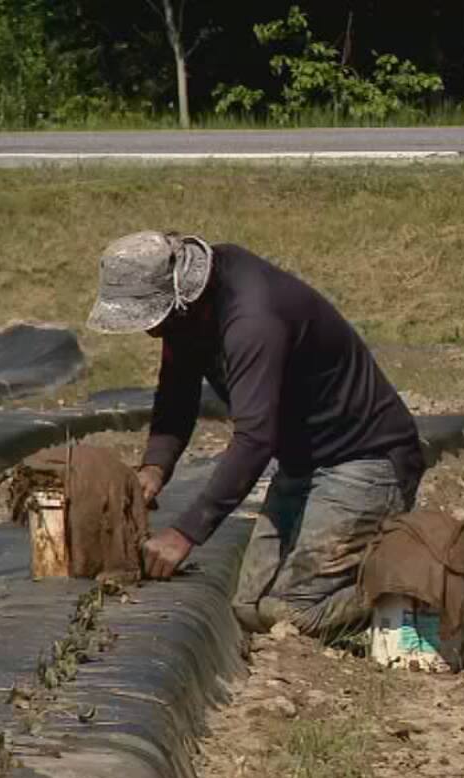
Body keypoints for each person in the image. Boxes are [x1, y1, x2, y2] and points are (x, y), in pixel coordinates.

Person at [86, 230, 423, 639]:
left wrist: (185, 533)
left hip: (365, 460)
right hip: (303, 463)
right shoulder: (190, 314)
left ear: (178, 299)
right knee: (249, 607)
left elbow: (255, 438)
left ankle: (420, 585)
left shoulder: (252, 320)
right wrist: (154, 468)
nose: (150, 333)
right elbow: (177, 394)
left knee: (293, 614)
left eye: (151, 321)